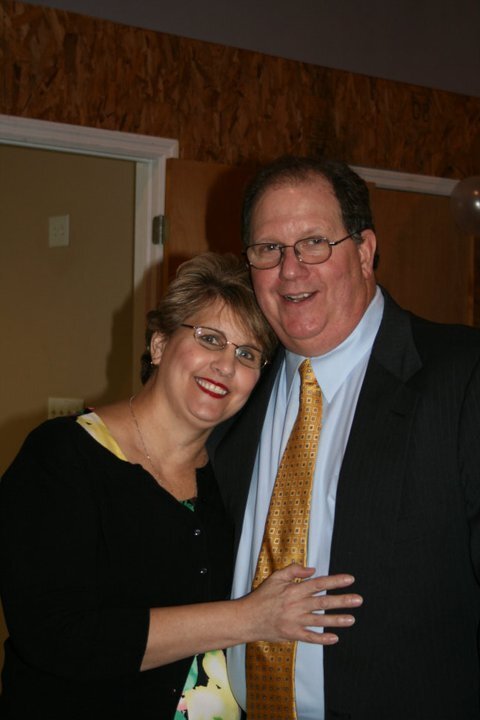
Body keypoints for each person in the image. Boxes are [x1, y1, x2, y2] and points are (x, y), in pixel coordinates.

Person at [0, 252, 362, 720]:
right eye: (210, 338)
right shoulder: (62, 456)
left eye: (247, 354)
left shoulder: (236, 473)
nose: (225, 366)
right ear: (159, 344)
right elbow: (56, 635)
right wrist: (250, 618)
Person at [209, 158, 480, 719]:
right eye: (268, 249)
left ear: (363, 251)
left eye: (314, 243)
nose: (290, 270)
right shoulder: (231, 394)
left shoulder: (462, 377)